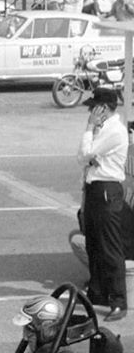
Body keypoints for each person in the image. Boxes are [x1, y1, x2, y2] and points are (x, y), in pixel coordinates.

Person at [77, 86, 128, 321]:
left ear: (104, 109)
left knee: (109, 247)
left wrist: (89, 128)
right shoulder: (103, 128)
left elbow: (85, 154)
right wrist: (90, 154)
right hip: (95, 189)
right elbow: (84, 158)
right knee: (94, 244)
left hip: (107, 190)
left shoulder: (113, 130)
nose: (91, 113)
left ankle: (118, 300)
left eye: (94, 108)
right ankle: (97, 293)